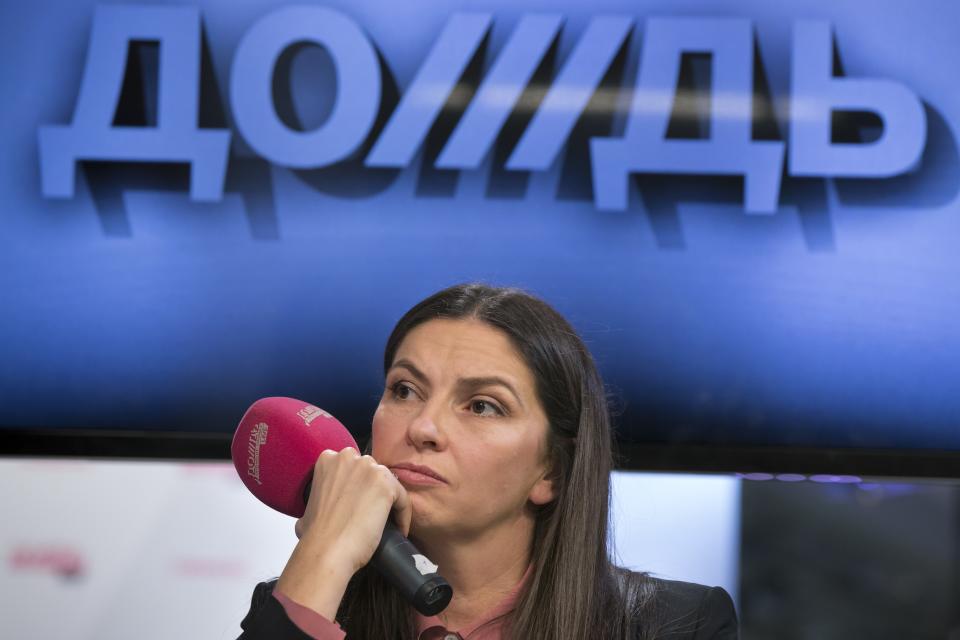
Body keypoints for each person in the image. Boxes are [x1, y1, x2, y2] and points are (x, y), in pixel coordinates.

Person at [238, 283, 738, 639]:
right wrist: (326, 553)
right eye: (405, 390)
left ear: (552, 472)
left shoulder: (677, 624)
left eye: (482, 405)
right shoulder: (302, 603)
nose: (423, 428)